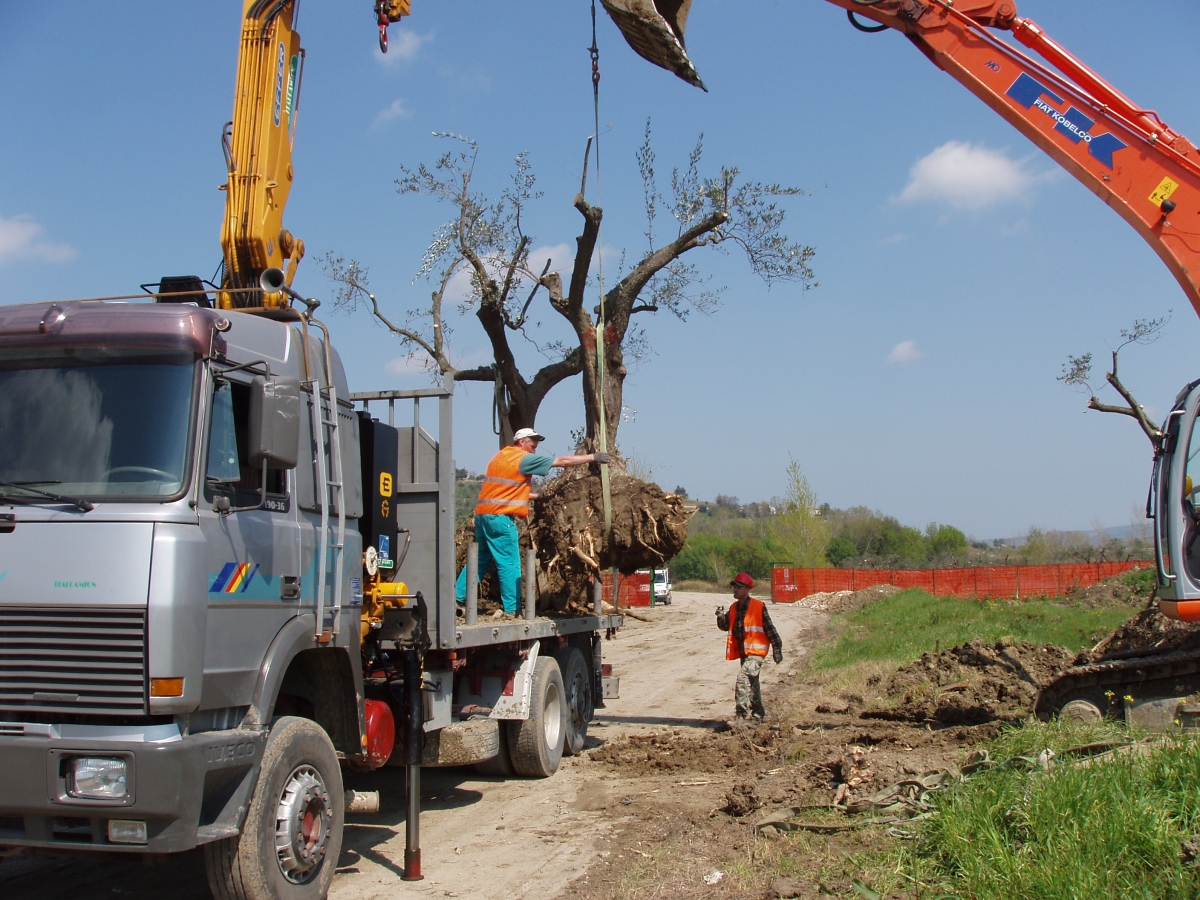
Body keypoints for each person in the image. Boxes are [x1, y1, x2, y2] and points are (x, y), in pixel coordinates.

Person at [456, 427, 609, 615]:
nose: (535, 448)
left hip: (483, 515)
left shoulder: (500, 457)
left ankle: (457, 597)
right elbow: (562, 461)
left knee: (479, 559)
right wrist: (593, 458)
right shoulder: (524, 458)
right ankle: (512, 608)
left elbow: (505, 489)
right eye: (532, 444)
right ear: (522, 442)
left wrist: (536, 496)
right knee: (509, 562)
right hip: (500, 518)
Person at [716, 573, 783, 723]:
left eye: (738, 587)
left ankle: (741, 715)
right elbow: (725, 626)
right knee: (753, 684)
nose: (734, 589)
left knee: (742, 678)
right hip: (744, 653)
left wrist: (777, 649)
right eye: (734, 586)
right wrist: (720, 616)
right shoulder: (734, 608)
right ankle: (758, 715)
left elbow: (770, 629)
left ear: (747, 589)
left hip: (756, 653)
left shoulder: (758, 606)